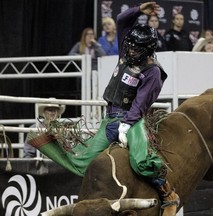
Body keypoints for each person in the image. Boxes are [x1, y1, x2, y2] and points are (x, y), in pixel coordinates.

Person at [28, 2, 179, 215]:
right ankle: (46, 139)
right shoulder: (127, 53)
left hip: (131, 120)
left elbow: (141, 102)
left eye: (137, 47)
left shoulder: (153, 72)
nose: (131, 49)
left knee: (142, 161)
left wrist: (126, 126)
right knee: (83, 163)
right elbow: (121, 21)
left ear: (147, 50)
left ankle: (167, 193)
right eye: (131, 45)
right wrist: (138, 10)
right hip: (109, 118)